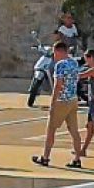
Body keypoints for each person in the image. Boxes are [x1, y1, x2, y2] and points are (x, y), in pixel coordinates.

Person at [33, 40, 86, 168]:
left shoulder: (60, 65)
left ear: (60, 51)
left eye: (55, 53)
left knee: (51, 129)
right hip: (73, 99)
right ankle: (77, 158)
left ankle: (45, 157)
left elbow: (58, 84)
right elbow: (76, 79)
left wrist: (53, 102)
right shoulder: (74, 62)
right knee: (74, 131)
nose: (54, 56)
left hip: (62, 100)